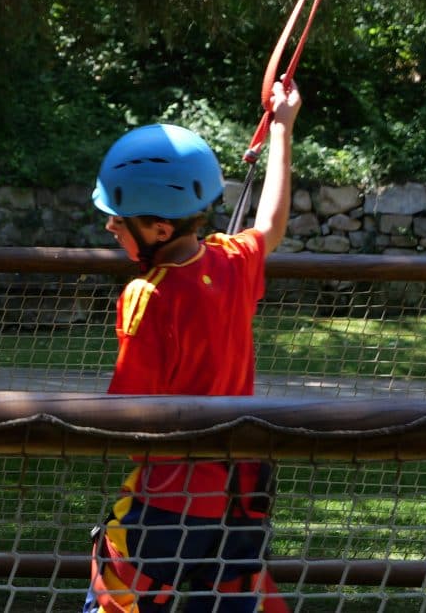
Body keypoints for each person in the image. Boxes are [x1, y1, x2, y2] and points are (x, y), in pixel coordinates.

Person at [85, 79, 302, 613]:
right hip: (241, 500)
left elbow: (125, 413)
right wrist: (283, 128)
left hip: (168, 500)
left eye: (118, 218)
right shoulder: (233, 260)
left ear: (159, 229)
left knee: (116, 601)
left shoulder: (146, 295)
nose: (110, 226)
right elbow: (271, 226)